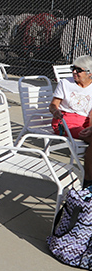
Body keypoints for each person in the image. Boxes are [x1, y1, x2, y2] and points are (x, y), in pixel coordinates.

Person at [50, 55, 92, 189]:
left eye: (78, 70)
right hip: (65, 121)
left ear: (89, 73)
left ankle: (88, 180)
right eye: (72, 68)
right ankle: (88, 181)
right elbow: (53, 105)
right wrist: (55, 111)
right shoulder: (65, 83)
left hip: (86, 122)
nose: (74, 72)